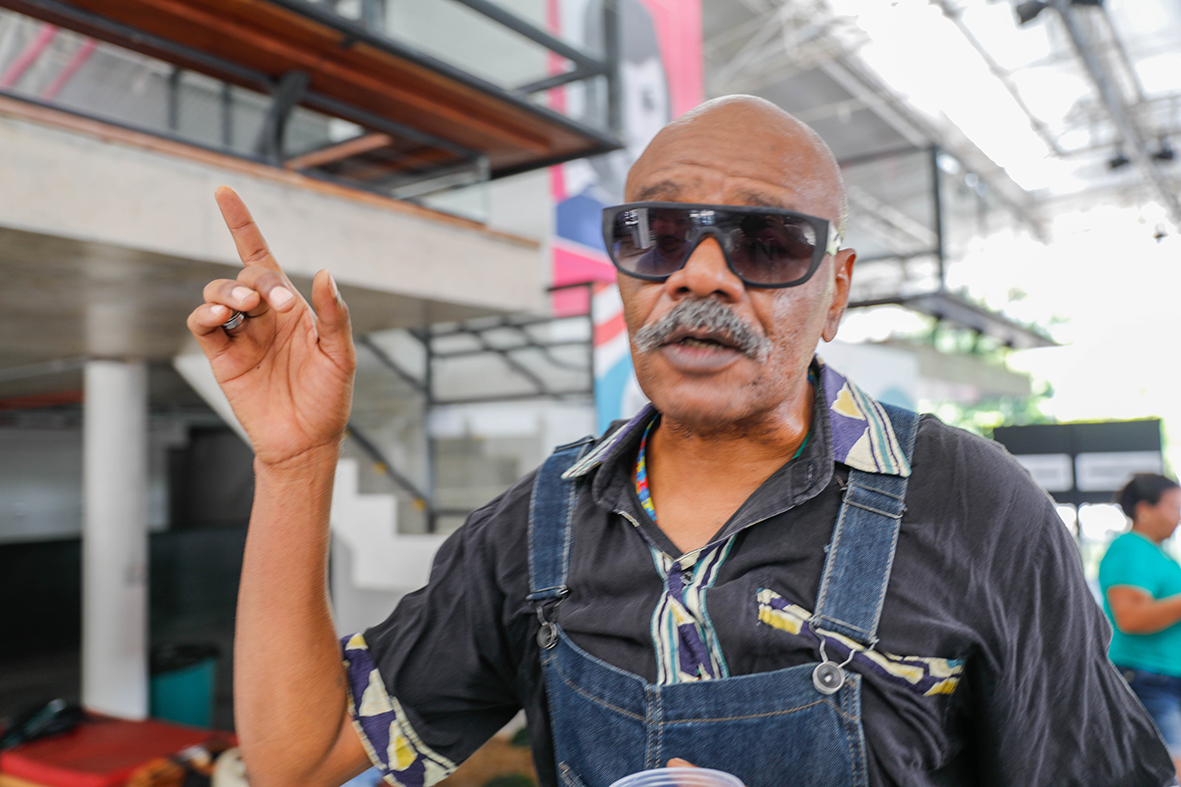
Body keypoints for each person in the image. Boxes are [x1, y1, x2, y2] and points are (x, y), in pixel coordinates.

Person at [186, 96, 1175, 787]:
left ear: (834, 290)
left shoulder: (972, 506)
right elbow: (300, 757)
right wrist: (294, 460)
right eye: (658, 234)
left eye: (767, 242)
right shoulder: (539, 526)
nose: (700, 274)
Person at [1099, 473, 1181, 775]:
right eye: (1174, 508)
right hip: (1148, 679)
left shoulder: (1159, 554)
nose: (1179, 517)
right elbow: (1131, 618)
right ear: (1144, 509)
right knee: (1168, 770)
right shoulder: (1130, 548)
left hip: (1166, 677)